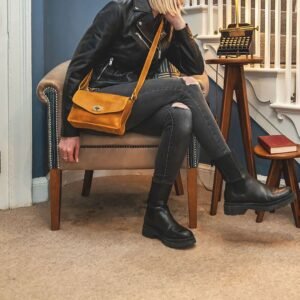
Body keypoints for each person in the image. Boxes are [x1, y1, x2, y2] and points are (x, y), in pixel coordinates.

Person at [59, 0, 294, 249]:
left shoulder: (164, 24)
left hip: (132, 105)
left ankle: (155, 213)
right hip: (103, 99)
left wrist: (179, 25)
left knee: (181, 117)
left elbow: (194, 66)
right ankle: (238, 182)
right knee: (185, 88)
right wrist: (69, 132)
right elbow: (78, 67)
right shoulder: (119, 10)